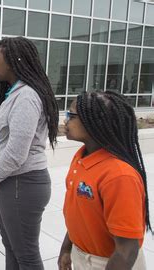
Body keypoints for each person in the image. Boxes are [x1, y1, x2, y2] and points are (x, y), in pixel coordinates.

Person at [0, 37, 59, 270]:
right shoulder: (16, 93)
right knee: (12, 246)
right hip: (14, 182)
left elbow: (17, 152)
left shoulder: (27, 96)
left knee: (26, 254)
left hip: (22, 183)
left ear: (14, 62)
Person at [58, 91, 150, 270]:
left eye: (71, 115)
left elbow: (127, 251)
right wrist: (66, 248)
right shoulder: (81, 158)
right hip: (82, 256)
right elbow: (81, 215)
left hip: (111, 263)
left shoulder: (119, 176)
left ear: (94, 123)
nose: (65, 120)